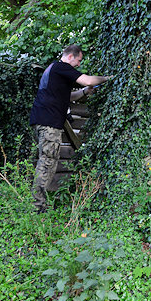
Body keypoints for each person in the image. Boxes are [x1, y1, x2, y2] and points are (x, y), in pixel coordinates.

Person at [30, 43, 112, 213]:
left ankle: (39, 204)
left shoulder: (53, 70)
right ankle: (37, 207)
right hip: (49, 123)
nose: (79, 64)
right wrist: (107, 78)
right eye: (78, 60)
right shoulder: (61, 67)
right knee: (47, 163)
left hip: (43, 121)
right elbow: (88, 80)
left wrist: (84, 92)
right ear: (70, 56)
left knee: (48, 162)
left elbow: (68, 96)